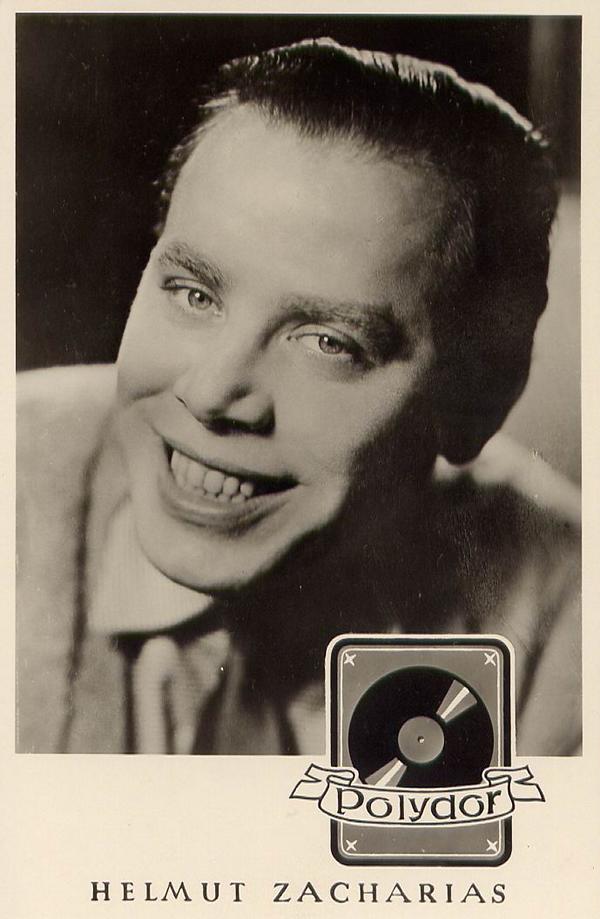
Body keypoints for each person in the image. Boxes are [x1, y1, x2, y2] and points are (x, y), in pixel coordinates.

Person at [17, 38, 580, 756]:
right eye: (193, 294)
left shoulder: (570, 622)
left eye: (328, 342)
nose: (213, 393)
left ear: (479, 398)